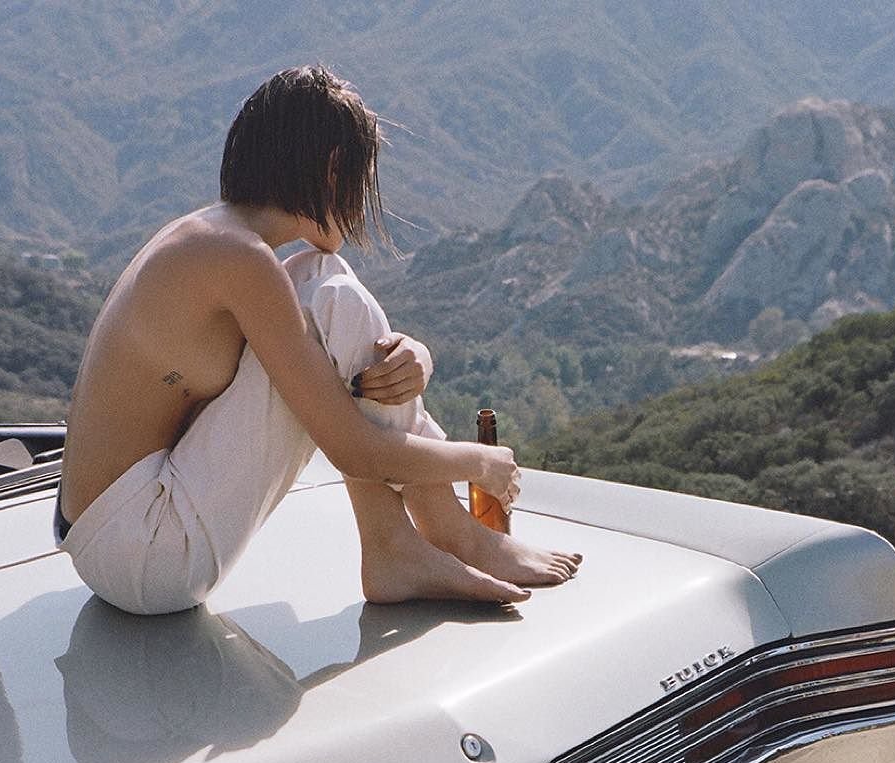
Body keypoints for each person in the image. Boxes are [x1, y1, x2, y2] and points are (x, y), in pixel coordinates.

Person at [59, 65, 581, 615]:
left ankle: (403, 544)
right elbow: (352, 449)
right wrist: (481, 462)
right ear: (334, 169)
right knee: (334, 296)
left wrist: (414, 358)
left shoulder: (215, 237)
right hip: (144, 552)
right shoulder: (242, 260)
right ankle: (444, 537)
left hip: (119, 539)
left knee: (324, 283)